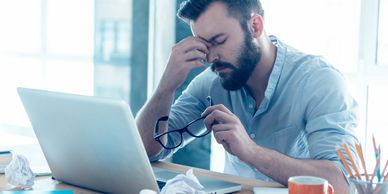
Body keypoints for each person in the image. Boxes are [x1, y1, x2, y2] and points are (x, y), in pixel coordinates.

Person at [135, 0, 359, 193]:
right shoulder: (212, 82)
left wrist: (251, 152)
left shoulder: (320, 81)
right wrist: (165, 87)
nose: (211, 57)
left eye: (219, 41)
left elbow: (340, 184)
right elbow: (145, 151)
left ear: (255, 26)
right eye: (204, 46)